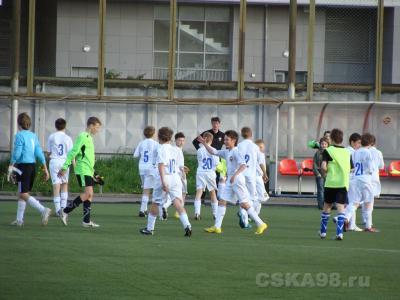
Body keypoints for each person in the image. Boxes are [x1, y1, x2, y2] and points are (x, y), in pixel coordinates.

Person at [197, 130, 268, 235]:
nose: (225, 141)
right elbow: (214, 151)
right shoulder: (227, 152)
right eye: (224, 139)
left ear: (233, 140)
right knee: (222, 201)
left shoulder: (236, 151)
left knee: (244, 204)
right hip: (231, 181)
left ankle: (261, 224)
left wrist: (235, 175)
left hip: (237, 180)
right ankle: (217, 227)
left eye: (227, 139)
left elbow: (243, 165)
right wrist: (204, 143)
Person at [140, 127, 192, 237]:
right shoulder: (176, 149)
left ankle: (150, 229)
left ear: (159, 137)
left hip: (165, 177)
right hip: (176, 177)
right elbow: (180, 166)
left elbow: (161, 165)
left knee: (156, 202)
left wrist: (164, 182)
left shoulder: (162, 148)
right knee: (177, 202)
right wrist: (183, 170)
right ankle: (187, 225)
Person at [8, 112, 51, 226]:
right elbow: (39, 153)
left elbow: (17, 153)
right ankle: (19, 220)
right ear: (29, 124)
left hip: (23, 167)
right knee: (22, 192)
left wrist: (11, 165)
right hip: (32, 167)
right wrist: (46, 169)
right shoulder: (33, 135)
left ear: (19, 124)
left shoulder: (19, 135)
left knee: (23, 193)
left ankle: (43, 210)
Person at [58, 117, 102, 228]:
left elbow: (87, 158)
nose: (98, 130)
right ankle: (65, 211)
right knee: (88, 194)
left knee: (90, 195)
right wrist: (65, 166)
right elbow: (73, 152)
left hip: (88, 170)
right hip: (82, 169)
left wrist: (94, 173)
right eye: (97, 127)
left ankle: (86, 221)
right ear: (91, 126)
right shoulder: (83, 136)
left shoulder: (89, 138)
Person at [318, 128, 352, 241]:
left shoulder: (328, 150)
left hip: (331, 182)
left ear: (331, 138)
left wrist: (325, 173)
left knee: (327, 206)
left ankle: (323, 232)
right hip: (343, 183)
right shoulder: (347, 152)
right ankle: (339, 233)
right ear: (342, 139)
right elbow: (351, 168)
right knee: (341, 208)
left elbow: (323, 166)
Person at [344, 133, 378, 233]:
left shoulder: (356, 152)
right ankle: (368, 226)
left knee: (354, 202)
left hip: (355, 179)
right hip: (365, 180)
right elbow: (371, 169)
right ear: (371, 143)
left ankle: (343, 218)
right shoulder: (368, 152)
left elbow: (353, 166)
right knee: (368, 202)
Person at [47, 118, 73, 216]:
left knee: (56, 186)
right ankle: (63, 209)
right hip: (64, 162)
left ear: (55, 126)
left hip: (54, 161)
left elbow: (49, 152)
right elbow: (71, 154)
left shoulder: (51, 137)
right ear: (65, 126)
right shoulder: (68, 138)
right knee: (64, 184)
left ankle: (58, 210)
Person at [237, 127, 261, 229]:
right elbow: (257, 162)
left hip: (241, 174)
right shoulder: (255, 147)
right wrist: (262, 173)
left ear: (242, 135)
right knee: (253, 198)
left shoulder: (239, 145)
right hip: (251, 175)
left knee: (243, 197)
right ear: (251, 134)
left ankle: (245, 220)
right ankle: (244, 212)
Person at [133, 126, 159, 217]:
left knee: (145, 189)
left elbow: (135, 155)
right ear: (154, 133)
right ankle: (142, 210)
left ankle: (144, 209)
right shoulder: (156, 144)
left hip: (142, 168)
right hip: (151, 169)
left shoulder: (141, 143)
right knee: (149, 190)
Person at [194, 132, 219, 220]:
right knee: (212, 193)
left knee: (199, 192)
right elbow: (216, 163)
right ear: (211, 140)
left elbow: (199, 160)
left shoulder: (199, 150)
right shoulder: (213, 150)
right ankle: (215, 214)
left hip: (201, 172)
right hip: (210, 173)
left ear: (203, 139)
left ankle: (197, 213)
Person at [345, 133, 362, 231]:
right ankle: (346, 221)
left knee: (350, 202)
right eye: (358, 143)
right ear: (352, 142)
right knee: (354, 202)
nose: (359, 145)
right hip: (351, 179)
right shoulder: (351, 152)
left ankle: (352, 224)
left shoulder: (349, 151)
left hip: (348, 179)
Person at [366, 135, 384, 227]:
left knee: (362, 199)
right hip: (374, 178)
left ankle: (365, 220)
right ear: (374, 142)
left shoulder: (363, 151)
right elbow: (381, 166)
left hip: (364, 177)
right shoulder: (378, 152)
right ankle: (368, 222)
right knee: (370, 200)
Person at [313, 137, 329, 210]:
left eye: (325, 144)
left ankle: (329, 205)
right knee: (320, 190)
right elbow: (314, 164)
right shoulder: (317, 153)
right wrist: (317, 173)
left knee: (328, 190)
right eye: (322, 144)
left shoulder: (330, 153)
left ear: (328, 145)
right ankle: (321, 205)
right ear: (320, 144)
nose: (324, 145)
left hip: (328, 174)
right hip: (320, 174)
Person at [254, 139, 269, 215]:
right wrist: (265, 174)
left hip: (256, 177)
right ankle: (248, 211)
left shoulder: (254, 154)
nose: (261, 148)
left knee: (256, 197)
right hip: (257, 177)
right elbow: (261, 164)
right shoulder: (260, 154)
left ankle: (255, 214)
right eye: (259, 147)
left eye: (262, 147)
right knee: (263, 198)